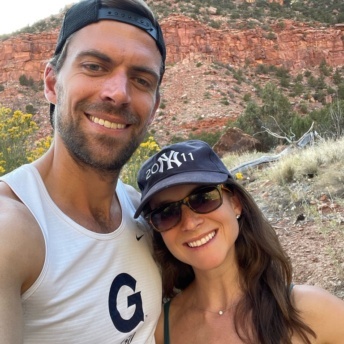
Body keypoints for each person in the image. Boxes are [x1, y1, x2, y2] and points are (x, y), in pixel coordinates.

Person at [0, 0, 166, 342]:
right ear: (51, 83)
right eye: (94, 66)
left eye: (141, 79)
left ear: (154, 109)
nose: (118, 93)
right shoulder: (13, 228)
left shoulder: (144, 214)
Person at [133, 140, 344, 344]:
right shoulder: (161, 331)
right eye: (166, 213)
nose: (189, 223)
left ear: (235, 203)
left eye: (203, 198)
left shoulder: (313, 312)